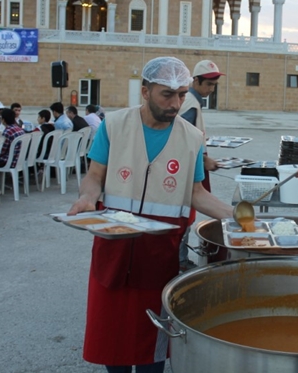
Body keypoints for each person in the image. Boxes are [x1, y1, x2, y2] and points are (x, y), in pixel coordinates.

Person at [67, 56, 233, 373]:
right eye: (166, 95)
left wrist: (236, 217)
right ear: (145, 91)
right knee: (112, 349)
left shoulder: (191, 139)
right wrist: (88, 197)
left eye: (182, 94)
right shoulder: (114, 126)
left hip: (158, 258)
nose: (176, 103)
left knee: (151, 355)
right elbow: (95, 175)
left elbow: (197, 193)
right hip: (112, 253)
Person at [177, 59, 223, 271]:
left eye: (214, 85)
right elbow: (181, 139)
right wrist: (204, 161)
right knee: (184, 214)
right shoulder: (189, 104)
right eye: (208, 84)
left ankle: (180, 258)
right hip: (185, 170)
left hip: (191, 165)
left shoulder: (192, 102)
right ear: (195, 80)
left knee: (188, 213)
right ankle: (180, 260)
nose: (211, 89)